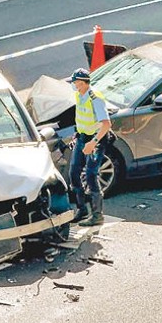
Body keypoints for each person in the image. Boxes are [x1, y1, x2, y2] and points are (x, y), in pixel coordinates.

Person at [69, 68, 112, 226]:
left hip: (96, 140)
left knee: (91, 175)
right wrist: (77, 136)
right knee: (74, 173)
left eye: (76, 83)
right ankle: (82, 210)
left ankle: (97, 215)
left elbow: (106, 125)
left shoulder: (95, 99)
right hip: (82, 138)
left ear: (83, 83)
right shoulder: (78, 95)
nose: (74, 86)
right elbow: (81, 118)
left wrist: (93, 142)